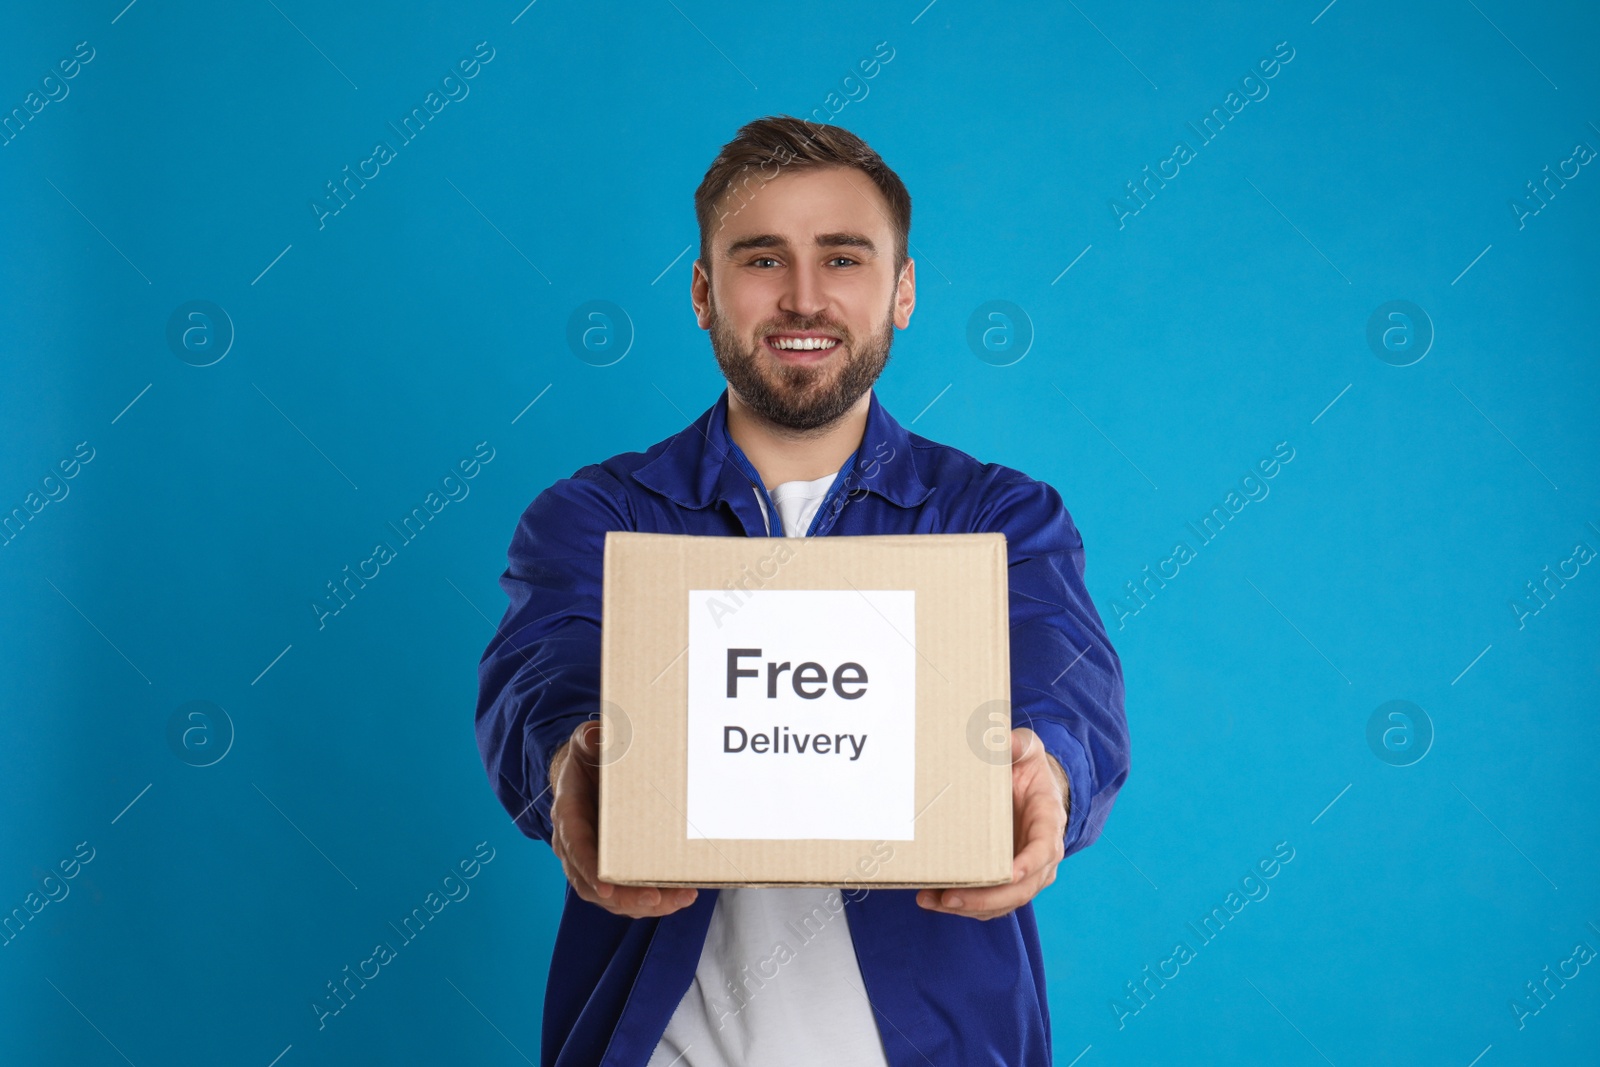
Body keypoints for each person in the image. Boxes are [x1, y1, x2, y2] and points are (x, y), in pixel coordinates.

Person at [475, 115, 1130, 1067]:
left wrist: (1050, 769)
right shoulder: (594, 518)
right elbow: (547, 669)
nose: (805, 298)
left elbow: (1061, 678)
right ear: (703, 293)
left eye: (844, 259)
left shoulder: (998, 519)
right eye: (762, 260)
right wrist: (572, 759)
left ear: (902, 291)